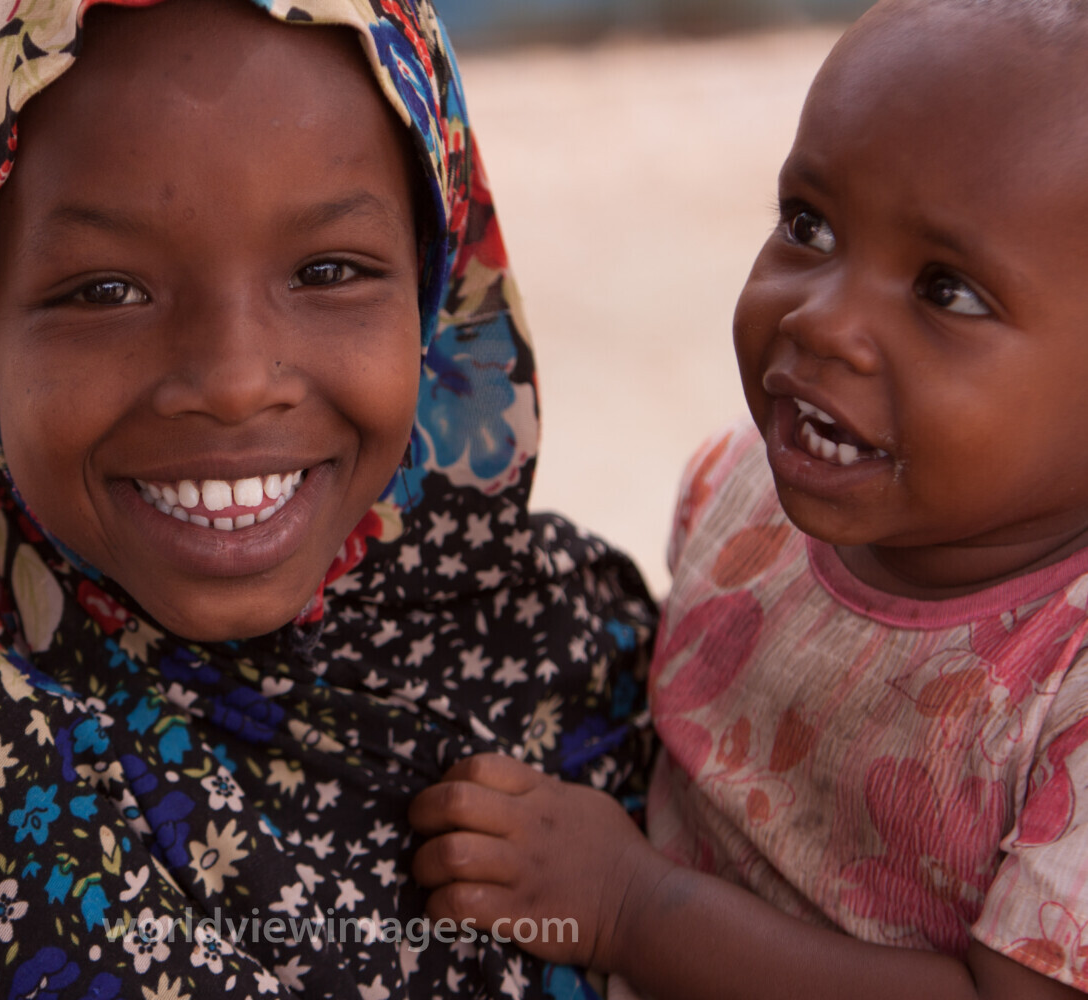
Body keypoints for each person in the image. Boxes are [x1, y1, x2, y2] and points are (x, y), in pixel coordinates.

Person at [0, 1, 657, 997]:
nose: (236, 380)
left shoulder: (579, 644)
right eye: (105, 290)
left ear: (433, 269)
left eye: (328, 271)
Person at [409, 1, 1088, 997]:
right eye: (808, 225)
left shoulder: (1064, 683)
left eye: (948, 291)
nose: (823, 320)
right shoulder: (745, 493)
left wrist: (633, 908)